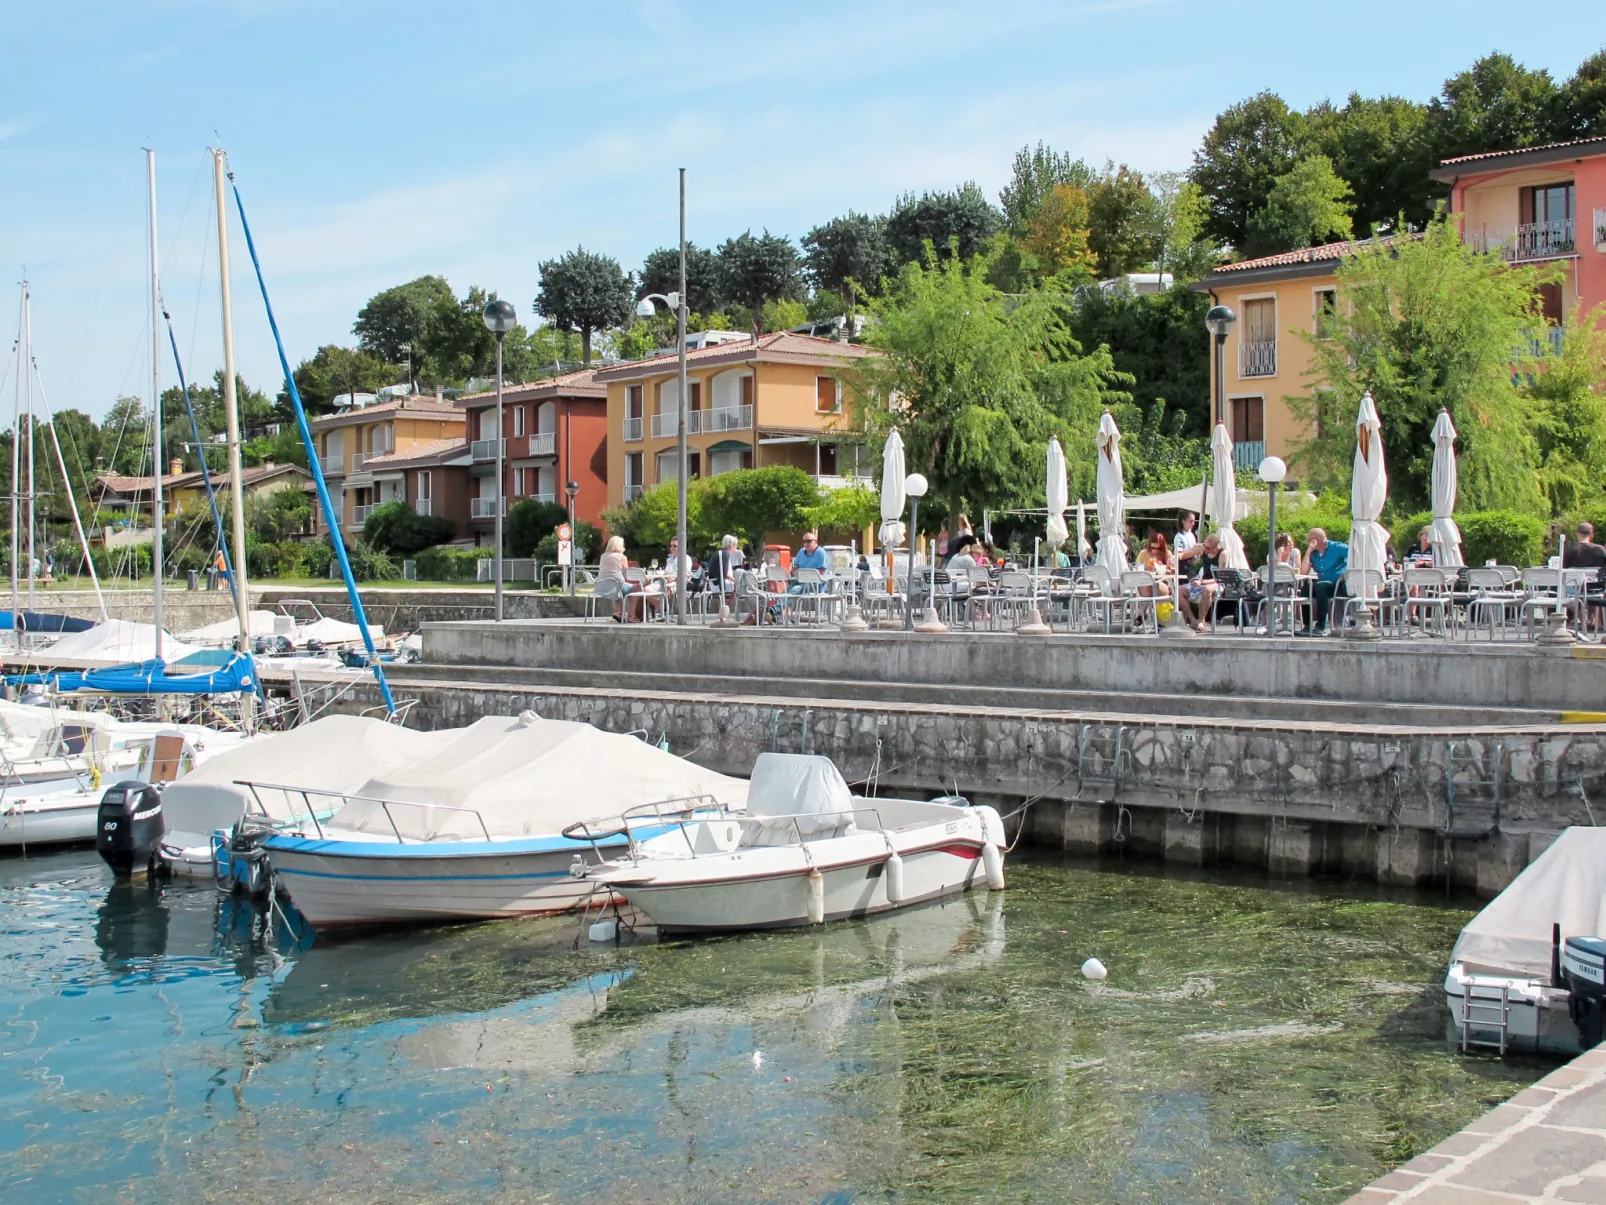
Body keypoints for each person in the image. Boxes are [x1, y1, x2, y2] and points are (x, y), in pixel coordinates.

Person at [1302, 527, 1349, 635]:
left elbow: (1356, 554)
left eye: (1309, 540)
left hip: (1338, 585)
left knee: (1320, 586)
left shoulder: (1337, 547)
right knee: (1306, 587)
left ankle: (1321, 627)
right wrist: (1308, 551)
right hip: (1323, 585)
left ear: (1316, 540)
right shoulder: (1313, 553)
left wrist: (1347, 571)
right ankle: (1307, 625)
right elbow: (1304, 572)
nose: (1307, 542)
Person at [1176, 532, 1223, 631]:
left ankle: (1202, 621)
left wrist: (1202, 582)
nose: (1205, 549)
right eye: (1205, 546)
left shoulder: (1222, 554)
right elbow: (1189, 560)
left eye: (1208, 548)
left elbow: (1220, 578)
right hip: (1203, 581)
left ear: (1216, 547)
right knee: (1178, 590)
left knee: (1207, 589)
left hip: (1217, 583)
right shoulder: (1203, 550)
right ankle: (1193, 620)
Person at [599, 535, 633, 621]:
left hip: (603, 587)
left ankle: (618, 613)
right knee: (636, 589)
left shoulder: (603, 556)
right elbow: (627, 575)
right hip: (618, 586)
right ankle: (632, 615)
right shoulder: (622, 557)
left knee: (616, 587)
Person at [710, 534, 744, 606]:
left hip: (714, 582)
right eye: (735, 545)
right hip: (720, 584)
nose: (736, 547)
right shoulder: (725, 554)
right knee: (743, 589)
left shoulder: (719, 553)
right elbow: (725, 573)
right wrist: (735, 580)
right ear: (731, 546)